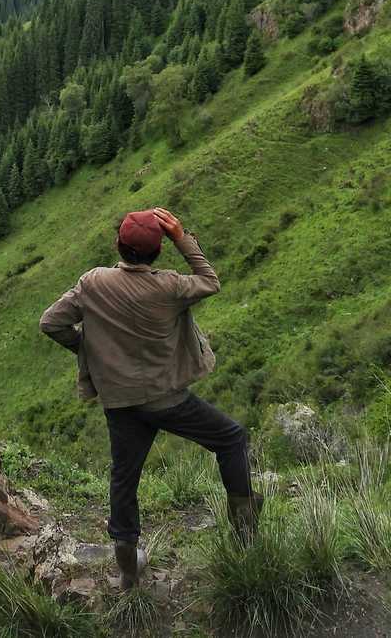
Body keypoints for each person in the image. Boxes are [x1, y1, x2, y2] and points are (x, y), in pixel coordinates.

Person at [39, 206, 262, 591]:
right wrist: (181, 237)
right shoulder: (170, 286)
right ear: (157, 253)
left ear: (118, 245)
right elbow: (210, 281)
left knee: (124, 479)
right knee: (231, 438)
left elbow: (51, 322)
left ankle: (128, 570)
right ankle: (245, 536)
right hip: (168, 399)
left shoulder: (93, 282)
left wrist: (86, 350)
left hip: (121, 402)